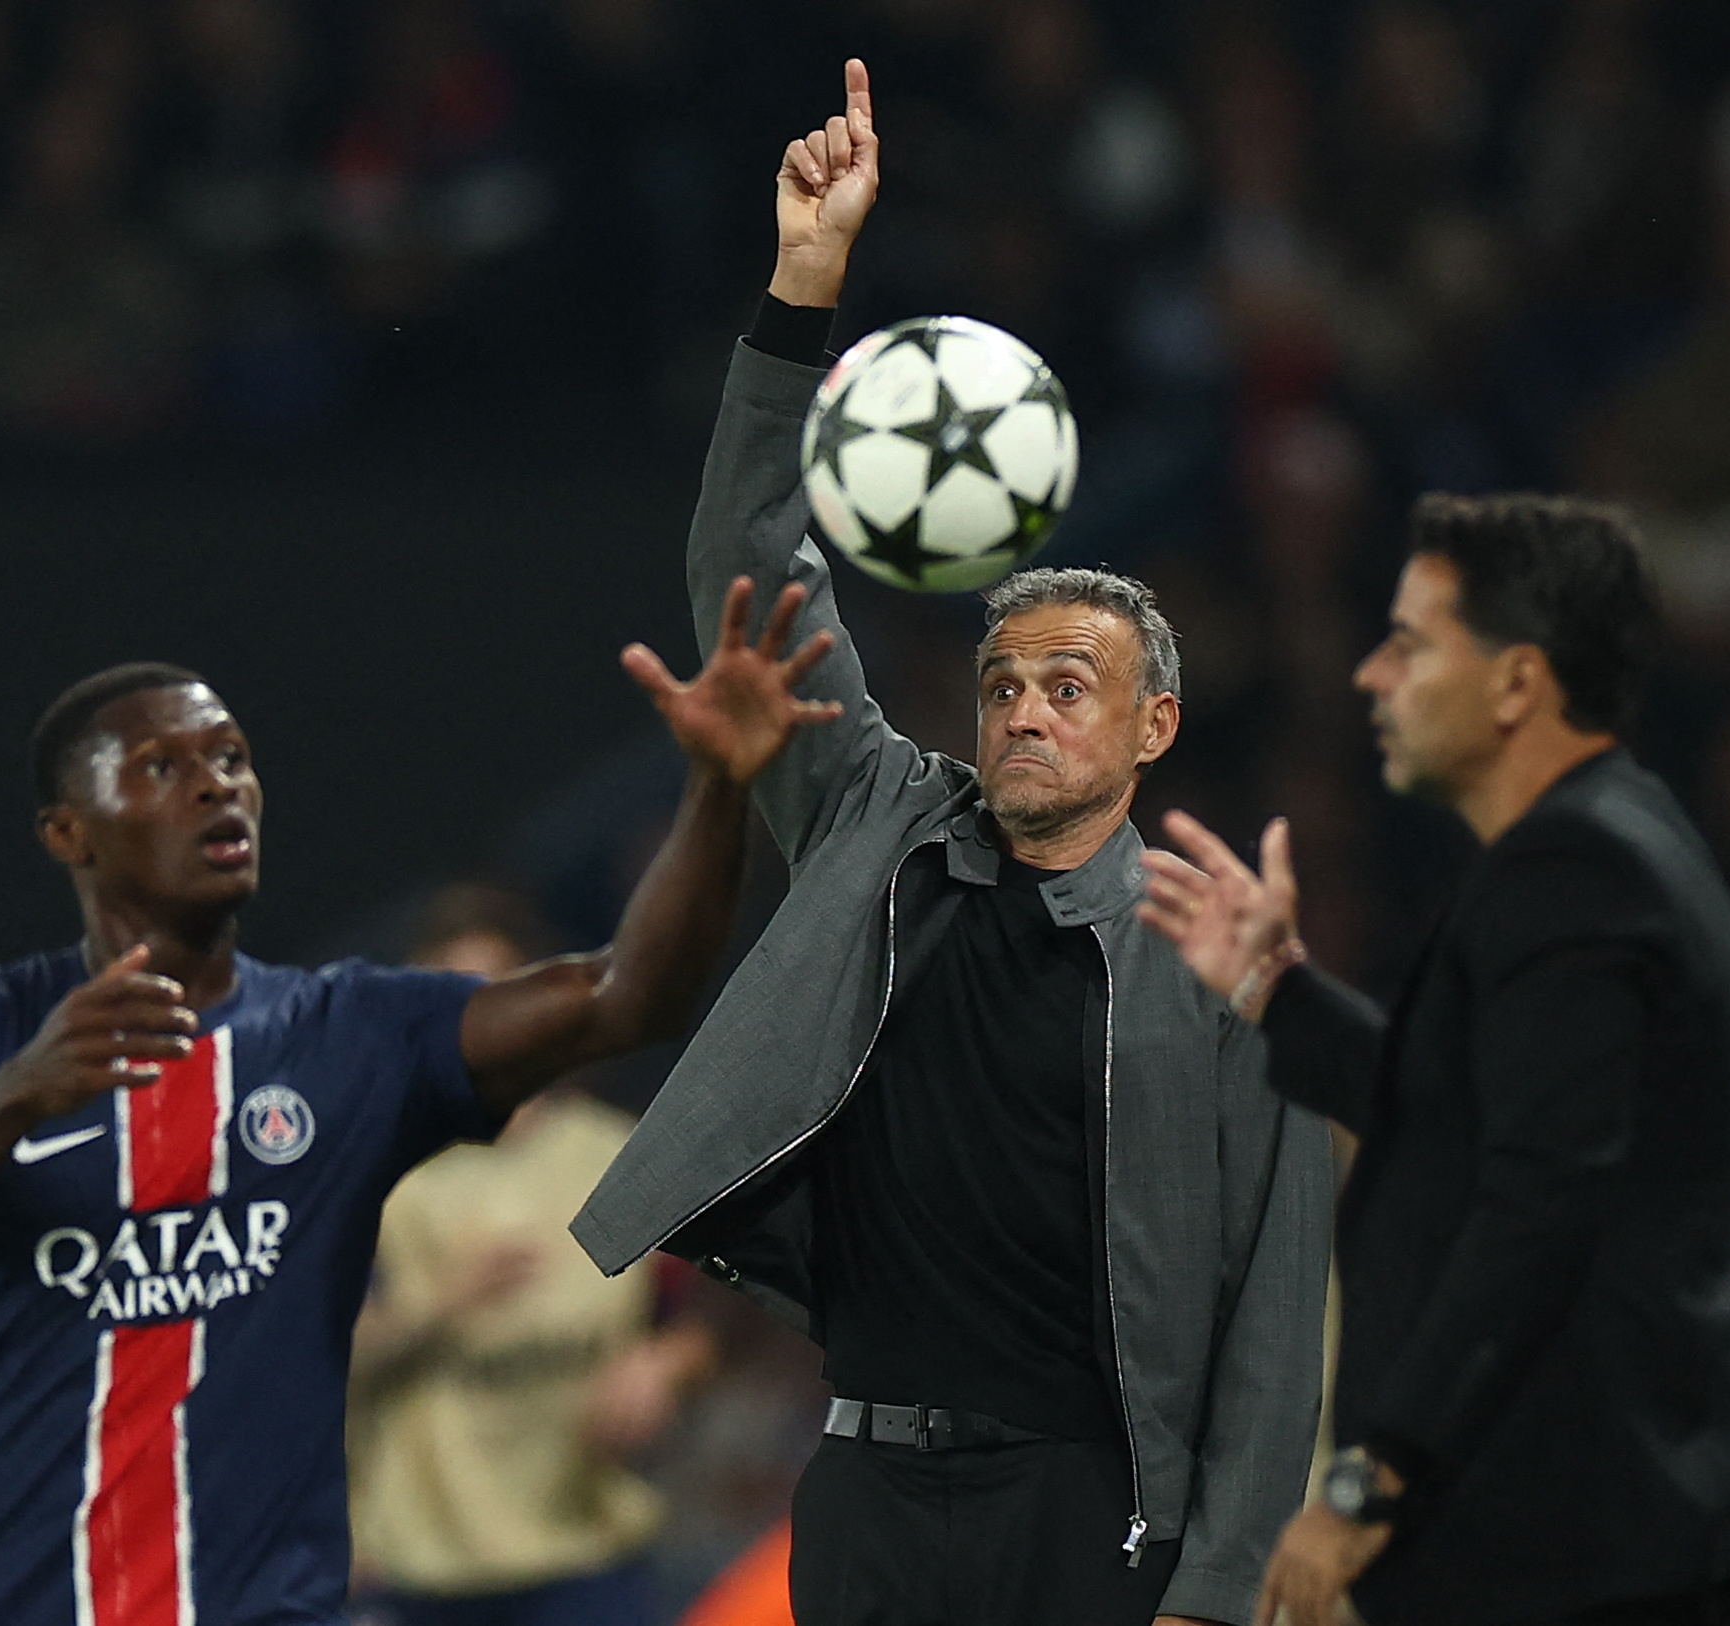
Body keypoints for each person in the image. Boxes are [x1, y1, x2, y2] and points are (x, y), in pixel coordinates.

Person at [570, 60, 1335, 1626]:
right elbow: (747, 561)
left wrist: (1218, 1581)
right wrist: (801, 288)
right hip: (863, 1488)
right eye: (1000, 682)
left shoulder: (1214, 949)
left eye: (1071, 686)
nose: (1024, 710)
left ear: (1152, 730)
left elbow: (1271, 1305)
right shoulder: (875, 825)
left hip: (1094, 1507)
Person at [0, 578, 842, 1626]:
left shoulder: (350, 1037)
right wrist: (15, 1098)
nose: (218, 788)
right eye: (165, 767)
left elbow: (627, 997)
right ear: (70, 832)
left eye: (233, 761)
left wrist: (714, 786)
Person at [1139, 494, 1730, 1626]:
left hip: (1584, 1547)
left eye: (1409, 642)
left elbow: (1538, 1203)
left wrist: (1371, 1477)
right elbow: (1470, 1117)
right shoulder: (1602, 845)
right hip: (1600, 1528)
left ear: (1516, 684)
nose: (1370, 674)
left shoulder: (1576, 876)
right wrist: (1276, 991)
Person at [346, 886, 717, 1626]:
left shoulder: (617, 1158)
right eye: (444, 995)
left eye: (491, 990)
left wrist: (664, 1369)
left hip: (589, 1562)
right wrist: (438, 1306)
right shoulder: (372, 1172)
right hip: (425, 1573)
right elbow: (308, 1357)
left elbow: (702, 1321)